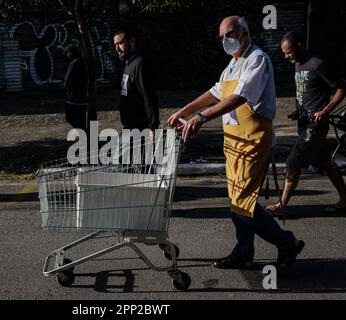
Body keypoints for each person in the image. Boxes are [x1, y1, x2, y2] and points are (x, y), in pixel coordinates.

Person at [168, 16, 304, 274]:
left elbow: (240, 97)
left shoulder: (257, 60)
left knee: (244, 204)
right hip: (233, 143)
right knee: (236, 202)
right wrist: (183, 111)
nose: (225, 40)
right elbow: (215, 93)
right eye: (221, 37)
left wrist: (202, 117)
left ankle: (286, 243)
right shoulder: (231, 66)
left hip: (253, 141)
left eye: (229, 34)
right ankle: (244, 251)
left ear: (244, 32)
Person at [266, 31, 346, 216]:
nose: (286, 56)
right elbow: (305, 91)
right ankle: (344, 197)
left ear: (300, 46)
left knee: (293, 162)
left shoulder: (317, 64)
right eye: (285, 53)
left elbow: (342, 87)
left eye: (289, 52)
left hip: (315, 125)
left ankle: (281, 206)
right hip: (303, 122)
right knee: (325, 162)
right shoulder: (298, 65)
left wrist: (326, 110)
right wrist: (297, 109)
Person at [113, 26, 160, 168]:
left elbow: (149, 95)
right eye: (115, 44)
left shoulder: (139, 64)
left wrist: (153, 127)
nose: (117, 48)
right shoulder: (129, 63)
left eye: (120, 43)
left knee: (123, 163)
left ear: (132, 42)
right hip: (130, 125)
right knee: (135, 166)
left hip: (139, 127)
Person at [63, 44, 88, 130]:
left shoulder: (74, 63)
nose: (67, 55)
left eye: (68, 53)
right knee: (80, 118)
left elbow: (68, 80)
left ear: (71, 53)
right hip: (80, 96)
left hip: (74, 97)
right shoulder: (82, 62)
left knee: (71, 117)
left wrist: (66, 85)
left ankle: (83, 134)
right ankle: (83, 133)